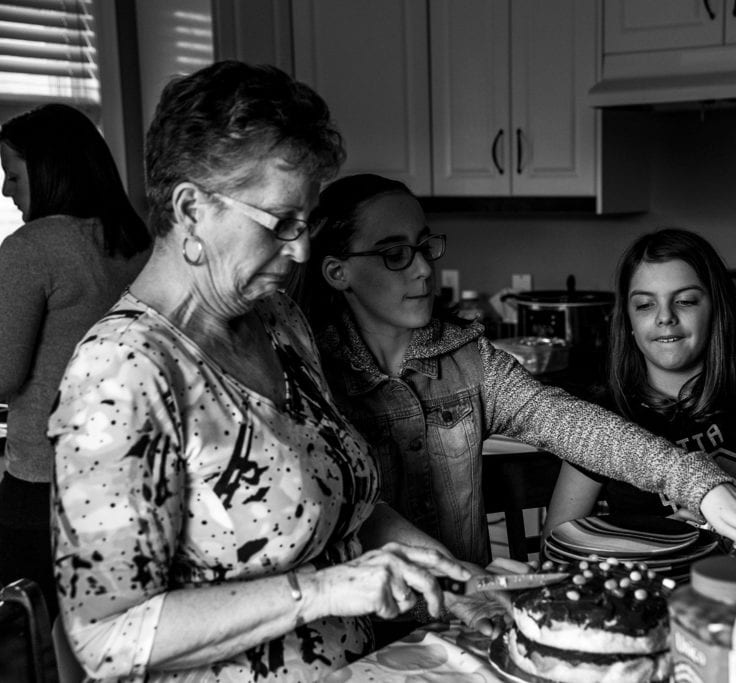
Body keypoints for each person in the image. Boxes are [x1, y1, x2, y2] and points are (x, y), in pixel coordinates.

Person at [48, 61, 502, 682]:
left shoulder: (278, 319)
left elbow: (348, 509)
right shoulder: (123, 374)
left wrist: (457, 579)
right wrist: (319, 591)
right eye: (280, 222)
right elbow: (104, 638)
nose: (302, 250)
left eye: (306, 222)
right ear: (190, 208)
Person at [299, 173, 736, 573]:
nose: (424, 267)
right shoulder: (307, 375)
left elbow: (583, 429)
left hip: (465, 617)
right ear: (337, 272)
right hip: (360, 630)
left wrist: (706, 488)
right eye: (395, 253)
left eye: (424, 246)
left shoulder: (471, 362)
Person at [543, 26, 736, 533]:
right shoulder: (604, 416)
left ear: (714, 307)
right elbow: (558, 539)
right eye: (644, 304)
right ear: (626, 320)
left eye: (685, 301)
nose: (664, 318)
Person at [0, 104, 152, 621]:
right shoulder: (136, 243)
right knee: (114, 632)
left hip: (47, 481)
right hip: (131, 471)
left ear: (48, 173)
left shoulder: (32, 247)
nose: (5, 190)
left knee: (40, 637)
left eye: (12, 175)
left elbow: (3, 375)